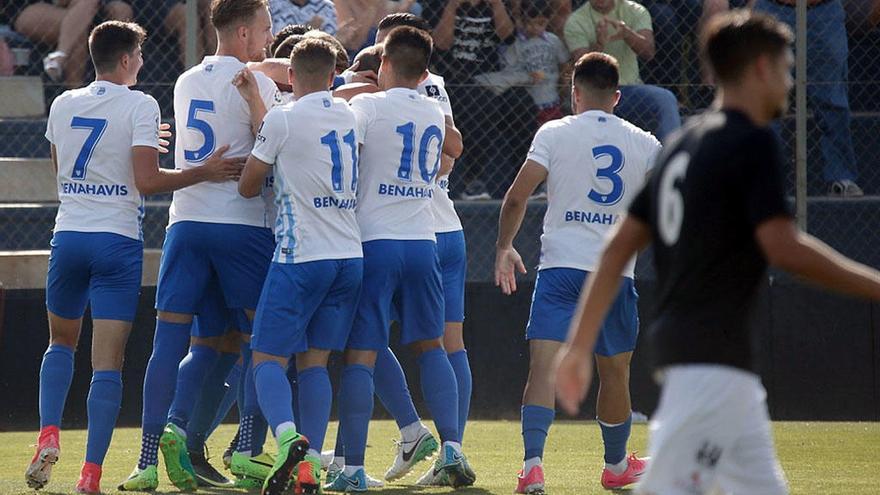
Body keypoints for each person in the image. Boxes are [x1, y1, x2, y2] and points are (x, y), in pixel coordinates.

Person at [555, 10, 880, 494]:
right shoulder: (749, 141)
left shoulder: (681, 144)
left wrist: (578, 347)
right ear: (760, 69)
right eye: (788, 68)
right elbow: (783, 247)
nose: (791, 81)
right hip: (709, 368)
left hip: (712, 366)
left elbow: (618, 246)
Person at [26, 20, 241, 494]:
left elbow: (63, 170)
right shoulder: (140, 104)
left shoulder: (63, 103)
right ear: (125, 60)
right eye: (140, 56)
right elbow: (146, 182)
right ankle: (90, 475)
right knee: (108, 364)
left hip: (69, 237)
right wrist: (203, 172)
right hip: (115, 241)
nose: (143, 63)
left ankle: (47, 433)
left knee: (59, 342)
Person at [119, 0, 281, 491]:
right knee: (262, 344)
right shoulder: (260, 84)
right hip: (242, 226)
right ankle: (250, 449)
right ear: (244, 35)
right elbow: (272, 144)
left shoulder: (186, 80)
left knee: (178, 344)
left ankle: (149, 456)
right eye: (265, 30)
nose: (269, 39)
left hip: (186, 224)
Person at [494, 51, 659, 494]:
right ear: (617, 97)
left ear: (575, 93)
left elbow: (516, 197)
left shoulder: (554, 131)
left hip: (560, 268)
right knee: (615, 373)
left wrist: (504, 247)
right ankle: (616, 464)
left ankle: (532, 467)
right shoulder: (645, 143)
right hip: (613, 274)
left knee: (543, 369)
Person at [320, 13, 469, 489]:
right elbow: (455, 145)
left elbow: (321, 105)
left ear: (382, 61)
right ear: (425, 73)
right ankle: (451, 449)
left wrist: (355, 88)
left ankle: (354, 470)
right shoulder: (431, 110)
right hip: (423, 240)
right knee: (432, 347)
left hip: (375, 241)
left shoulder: (367, 108)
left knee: (361, 354)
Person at [239, 37, 364, 495]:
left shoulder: (283, 118)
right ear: (333, 76)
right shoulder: (350, 116)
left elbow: (249, 188)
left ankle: (289, 436)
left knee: (266, 357)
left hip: (300, 255)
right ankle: (309, 466)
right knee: (315, 365)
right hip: (349, 256)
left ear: (291, 78)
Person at [751, 0, 861, 195]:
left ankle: (841, 178)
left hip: (824, 10)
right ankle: (766, 180)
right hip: (773, 9)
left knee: (833, 99)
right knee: (766, 101)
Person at [564, 0, 682, 142]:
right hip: (594, 92)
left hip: (630, 89)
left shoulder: (635, 10)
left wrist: (627, 34)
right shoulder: (576, 20)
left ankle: (671, 155)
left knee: (666, 98)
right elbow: (582, 67)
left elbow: (648, 52)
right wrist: (599, 44)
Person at [474, 0, 569, 126]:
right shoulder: (516, 43)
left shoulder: (553, 41)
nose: (535, 28)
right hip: (529, 102)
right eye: (529, 23)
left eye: (541, 23)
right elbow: (509, 71)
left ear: (548, 20)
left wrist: (562, 87)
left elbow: (564, 64)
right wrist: (527, 76)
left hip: (552, 100)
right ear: (522, 20)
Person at [8, 0, 133, 87]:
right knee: (77, 27)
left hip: (85, 9)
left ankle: (60, 56)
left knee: (121, 10)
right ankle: (75, 92)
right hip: (35, 7)